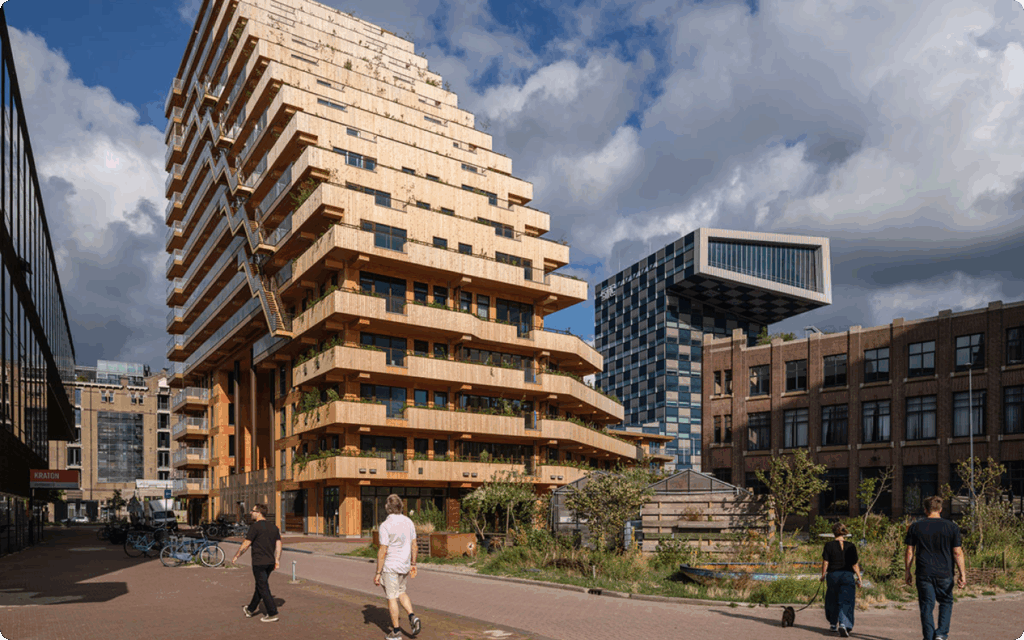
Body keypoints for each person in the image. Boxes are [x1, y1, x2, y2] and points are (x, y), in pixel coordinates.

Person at [905, 495, 967, 640]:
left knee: (927, 606)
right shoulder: (952, 527)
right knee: (946, 602)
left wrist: (907, 571)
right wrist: (962, 573)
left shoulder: (916, 526)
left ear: (925, 510)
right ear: (940, 509)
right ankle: (941, 634)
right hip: (945, 572)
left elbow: (909, 551)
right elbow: (957, 552)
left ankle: (929, 637)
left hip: (923, 571)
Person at [373, 494, 422, 640]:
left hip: (391, 566)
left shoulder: (385, 525)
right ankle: (412, 616)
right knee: (401, 591)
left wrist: (378, 572)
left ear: (387, 508)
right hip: (404, 565)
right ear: (401, 506)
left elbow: (383, 550)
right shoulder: (409, 522)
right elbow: (415, 546)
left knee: (391, 597)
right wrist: (413, 563)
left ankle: (396, 632)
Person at [233, 504, 282, 623]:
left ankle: (272, 613)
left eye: (253, 511)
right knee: (260, 586)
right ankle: (250, 609)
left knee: (263, 587)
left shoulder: (255, 527)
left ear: (259, 512)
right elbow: (279, 545)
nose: (251, 513)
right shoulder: (274, 527)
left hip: (259, 562)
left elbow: (246, 543)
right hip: (270, 562)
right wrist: (277, 559)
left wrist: (237, 555)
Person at [820, 522, 862, 637]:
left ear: (833, 533)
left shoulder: (828, 545)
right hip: (848, 575)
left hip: (833, 575)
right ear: (844, 532)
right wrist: (859, 578)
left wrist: (823, 575)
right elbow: (854, 564)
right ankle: (844, 624)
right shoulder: (851, 546)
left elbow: (825, 562)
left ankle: (833, 624)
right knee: (846, 600)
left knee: (832, 599)